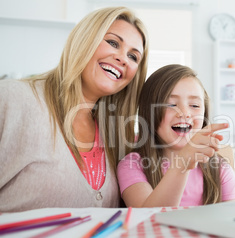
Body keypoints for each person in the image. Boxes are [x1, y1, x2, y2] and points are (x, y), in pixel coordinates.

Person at [0, 7, 149, 212]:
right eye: (113, 43)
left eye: (134, 57)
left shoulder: (118, 135)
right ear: (85, 39)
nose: (123, 59)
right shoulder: (11, 99)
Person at [117, 64, 235, 207]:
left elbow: (232, 220)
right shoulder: (132, 165)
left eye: (194, 105)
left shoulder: (220, 168)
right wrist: (182, 163)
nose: (184, 113)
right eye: (171, 104)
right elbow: (148, 218)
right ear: (148, 113)